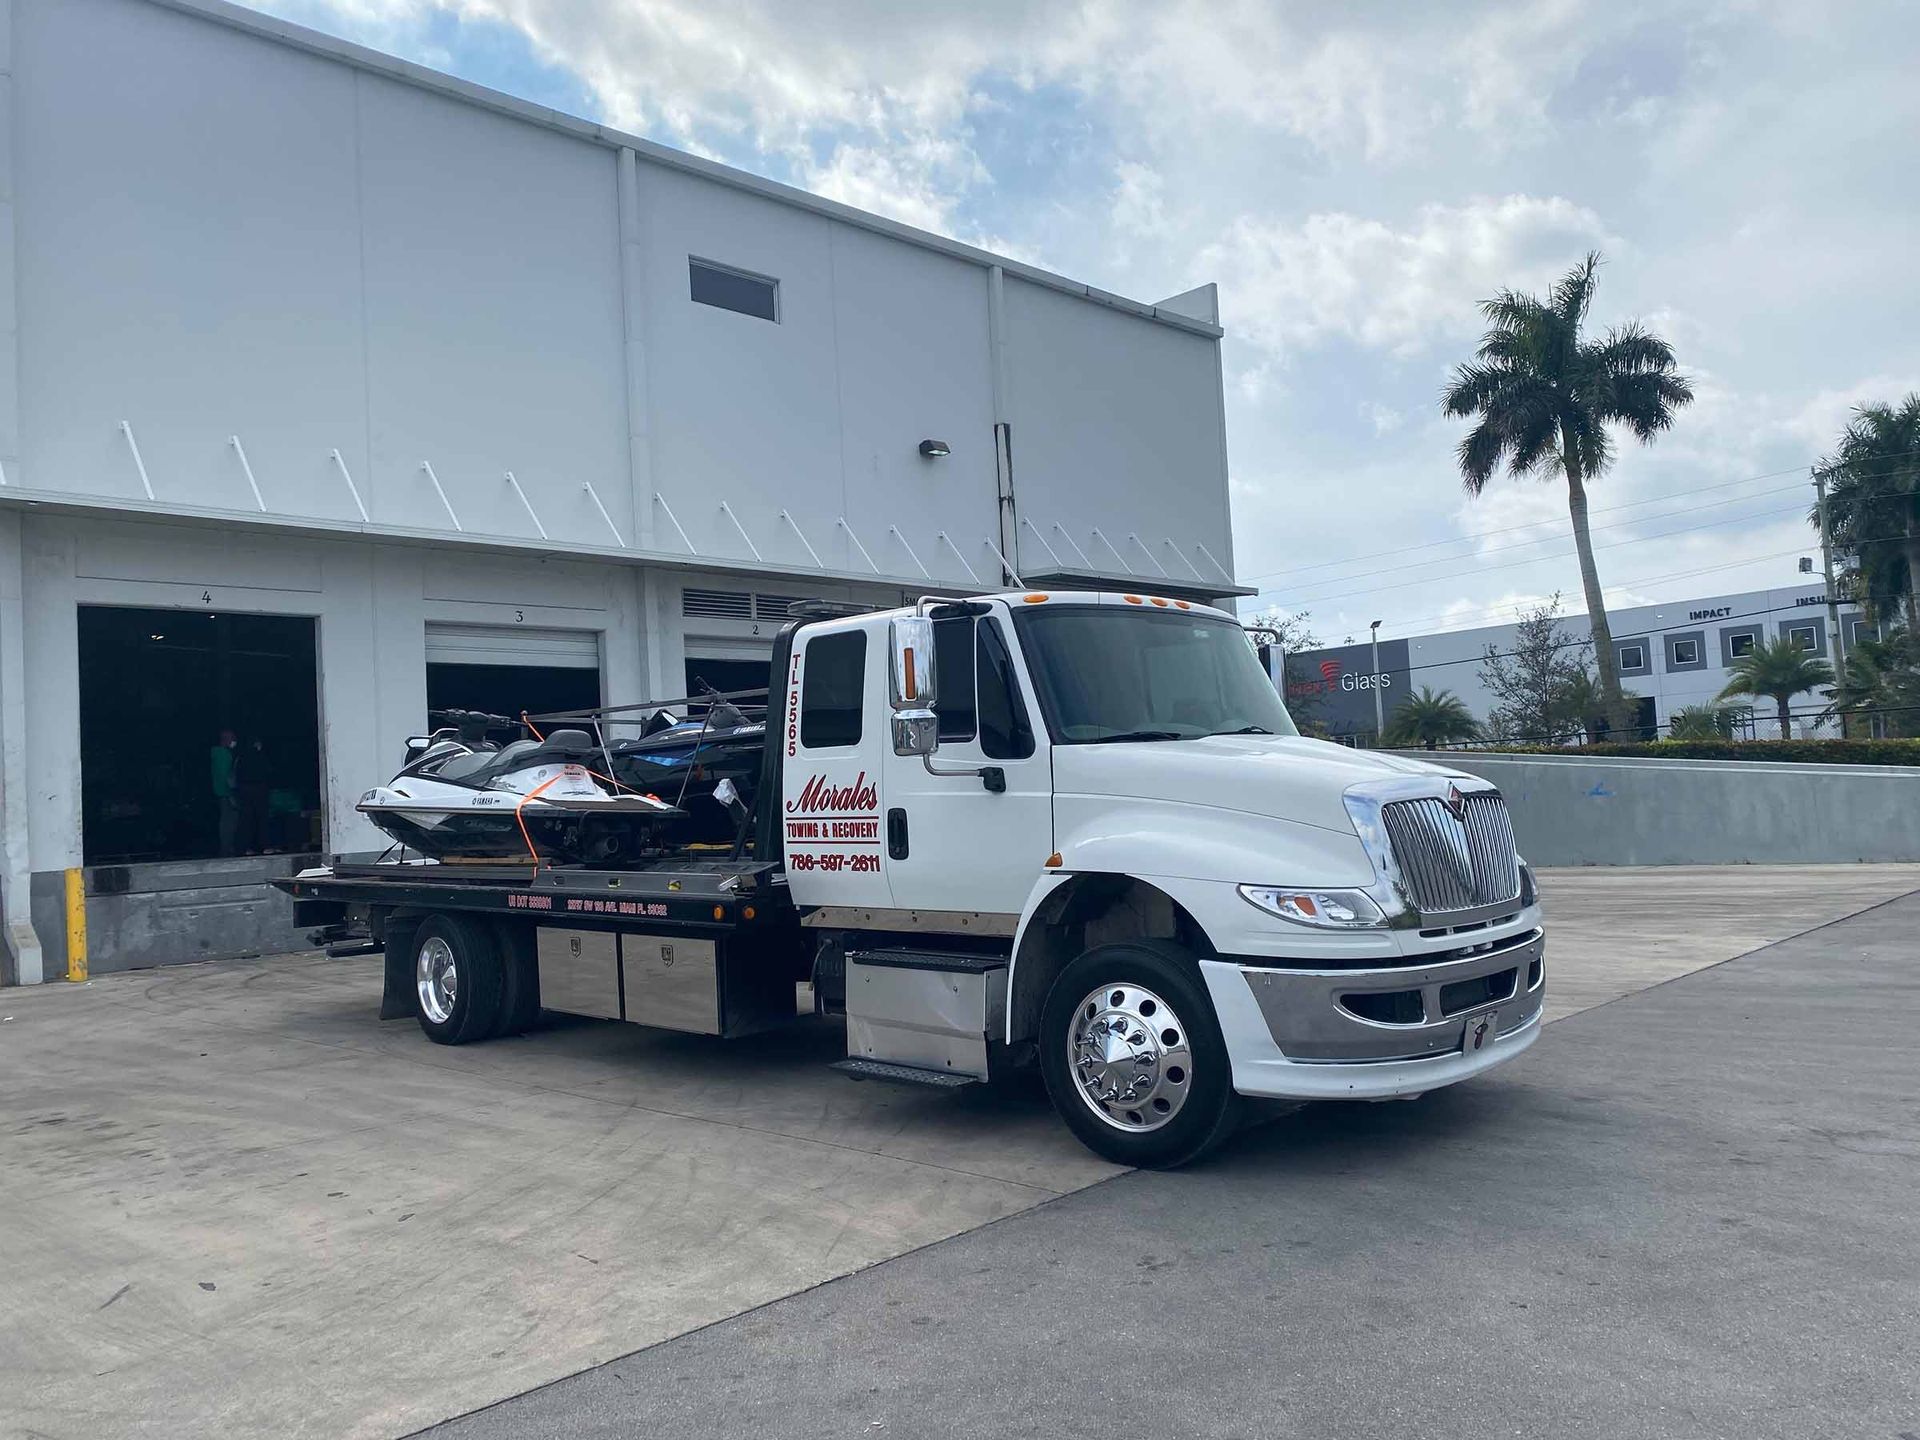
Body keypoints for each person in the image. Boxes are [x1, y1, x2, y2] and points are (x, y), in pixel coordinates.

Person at [237, 737, 271, 854]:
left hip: (245, 791)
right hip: (259, 790)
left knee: (246, 820)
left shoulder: (241, 757)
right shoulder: (260, 757)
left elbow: (237, 774)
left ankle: (245, 848)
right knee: (261, 820)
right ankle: (264, 846)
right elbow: (267, 772)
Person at [211, 728, 239, 856]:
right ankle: (227, 848)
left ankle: (227, 847)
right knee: (228, 822)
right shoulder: (224, 755)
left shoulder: (216, 754)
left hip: (220, 791)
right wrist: (231, 792)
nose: (234, 741)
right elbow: (226, 776)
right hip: (226, 793)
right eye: (232, 738)